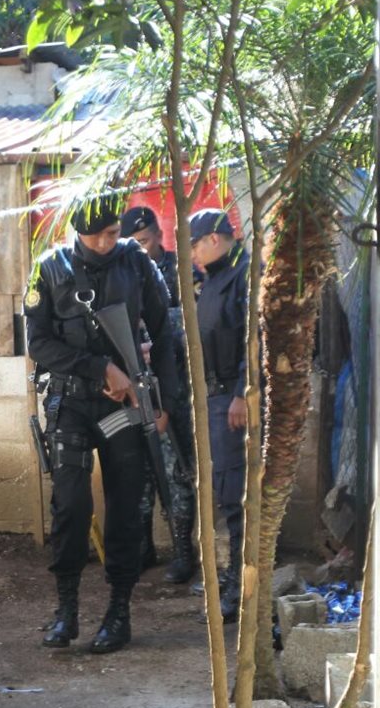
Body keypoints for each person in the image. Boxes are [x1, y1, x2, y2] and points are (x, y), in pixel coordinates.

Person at [24, 196, 181, 653]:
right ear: (78, 232)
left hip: (123, 407)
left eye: (114, 233)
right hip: (70, 402)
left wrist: (164, 400)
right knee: (71, 506)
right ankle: (66, 609)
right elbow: (39, 344)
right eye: (99, 235)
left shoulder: (135, 264)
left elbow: (164, 331)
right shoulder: (48, 269)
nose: (108, 242)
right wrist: (99, 369)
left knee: (125, 506)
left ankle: (119, 611)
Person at [120, 206, 198, 583]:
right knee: (139, 472)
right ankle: (144, 547)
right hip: (132, 390)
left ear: (158, 236)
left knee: (175, 469)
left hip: (172, 388)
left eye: (146, 241)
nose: (141, 249)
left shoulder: (182, 272)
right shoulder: (119, 274)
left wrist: (159, 331)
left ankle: (184, 550)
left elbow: (197, 324)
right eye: (134, 243)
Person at [188, 208, 250, 623]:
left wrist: (244, 393)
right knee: (223, 493)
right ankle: (231, 579)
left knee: (235, 497)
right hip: (213, 398)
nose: (190, 254)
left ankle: (240, 586)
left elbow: (254, 338)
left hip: (232, 397)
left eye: (193, 245)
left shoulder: (243, 275)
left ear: (213, 239)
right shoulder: (213, 279)